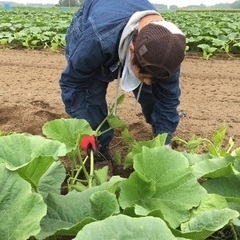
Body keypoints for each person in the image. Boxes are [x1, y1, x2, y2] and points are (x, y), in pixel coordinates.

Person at [59, 0, 186, 161]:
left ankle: (159, 136)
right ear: (132, 51)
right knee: (92, 94)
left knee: (152, 92)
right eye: (144, 75)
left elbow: (168, 98)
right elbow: (73, 83)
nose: (147, 81)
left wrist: (165, 142)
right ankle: (99, 152)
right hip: (99, 19)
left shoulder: (169, 51)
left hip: (123, 15)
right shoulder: (97, 39)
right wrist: (85, 130)